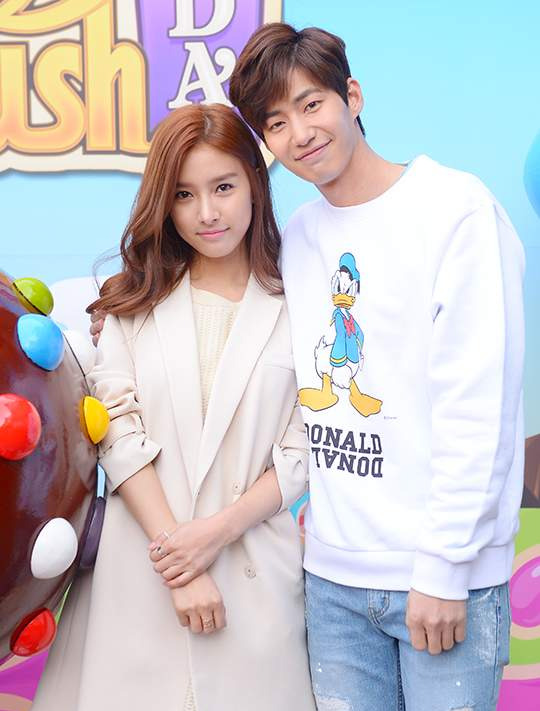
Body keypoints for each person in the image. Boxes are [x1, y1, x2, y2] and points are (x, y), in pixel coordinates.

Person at [226, 23, 525, 711]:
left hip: (443, 579)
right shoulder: (299, 237)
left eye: (311, 104)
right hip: (333, 582)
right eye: (276, 123)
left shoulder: (456, 212)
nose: (300, 133)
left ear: (352, 96)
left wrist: (444, 568)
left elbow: (479, 407)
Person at [32, 103, 316, 711]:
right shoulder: (133, 301)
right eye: (185, 194)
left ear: (255, 183)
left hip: (251, 572)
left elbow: (300, 452)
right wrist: (179, 562)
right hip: (140, 572)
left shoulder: (302, 303)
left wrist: (213, 536)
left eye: (223, 187)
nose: (207, 212)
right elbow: (117, 434)